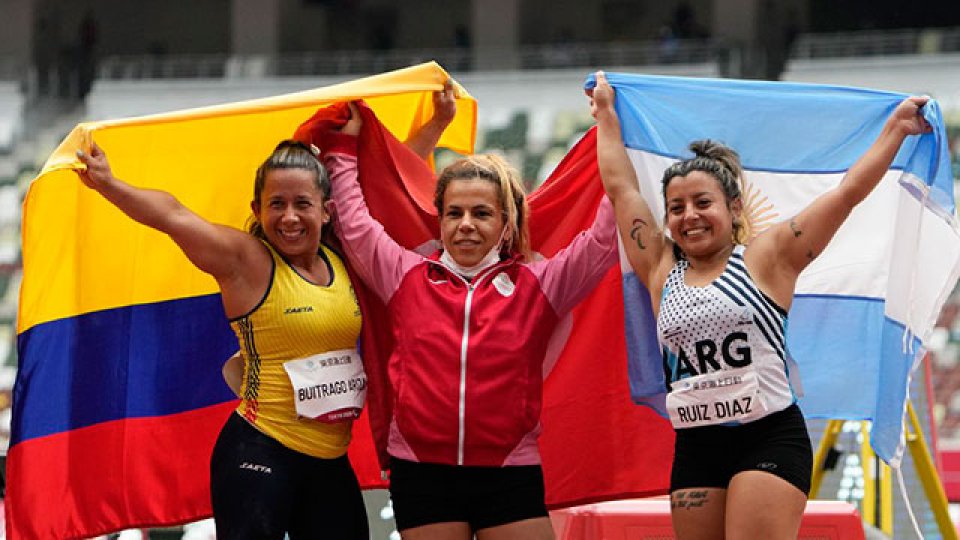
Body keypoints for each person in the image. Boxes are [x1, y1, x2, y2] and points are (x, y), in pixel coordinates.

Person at [589, 70, 931, 540]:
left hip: (767, 437)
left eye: (702, 202)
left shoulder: (768, 258)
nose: (689, 215)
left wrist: (894, 130)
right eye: (676, 207)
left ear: (733, 208)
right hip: (695, 447)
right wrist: (606, 114)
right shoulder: (658, 268)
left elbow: (846, 194)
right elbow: (621, 188)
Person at [320, 93, 618, 539]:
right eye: (454, 213)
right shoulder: (406, 276)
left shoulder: (540, 285)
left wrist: (615, 133)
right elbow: (356, 225)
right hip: (421, 473)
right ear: (439, 220)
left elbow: (603, 238)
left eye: (482, 214)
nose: (466, 225)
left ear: (506, 223)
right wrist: (341, 151)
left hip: (508, 471)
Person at [76, 140, 369, 539]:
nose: (289, 218)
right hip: (262, 452)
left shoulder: (340, 258)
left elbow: (386, 188)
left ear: (327, 211)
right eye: (276, 204)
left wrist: (434, 124)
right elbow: (173, 215)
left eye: (302, 203)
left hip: (331, 460)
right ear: (257, 211)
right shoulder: (246, 261)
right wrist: (110, 184)